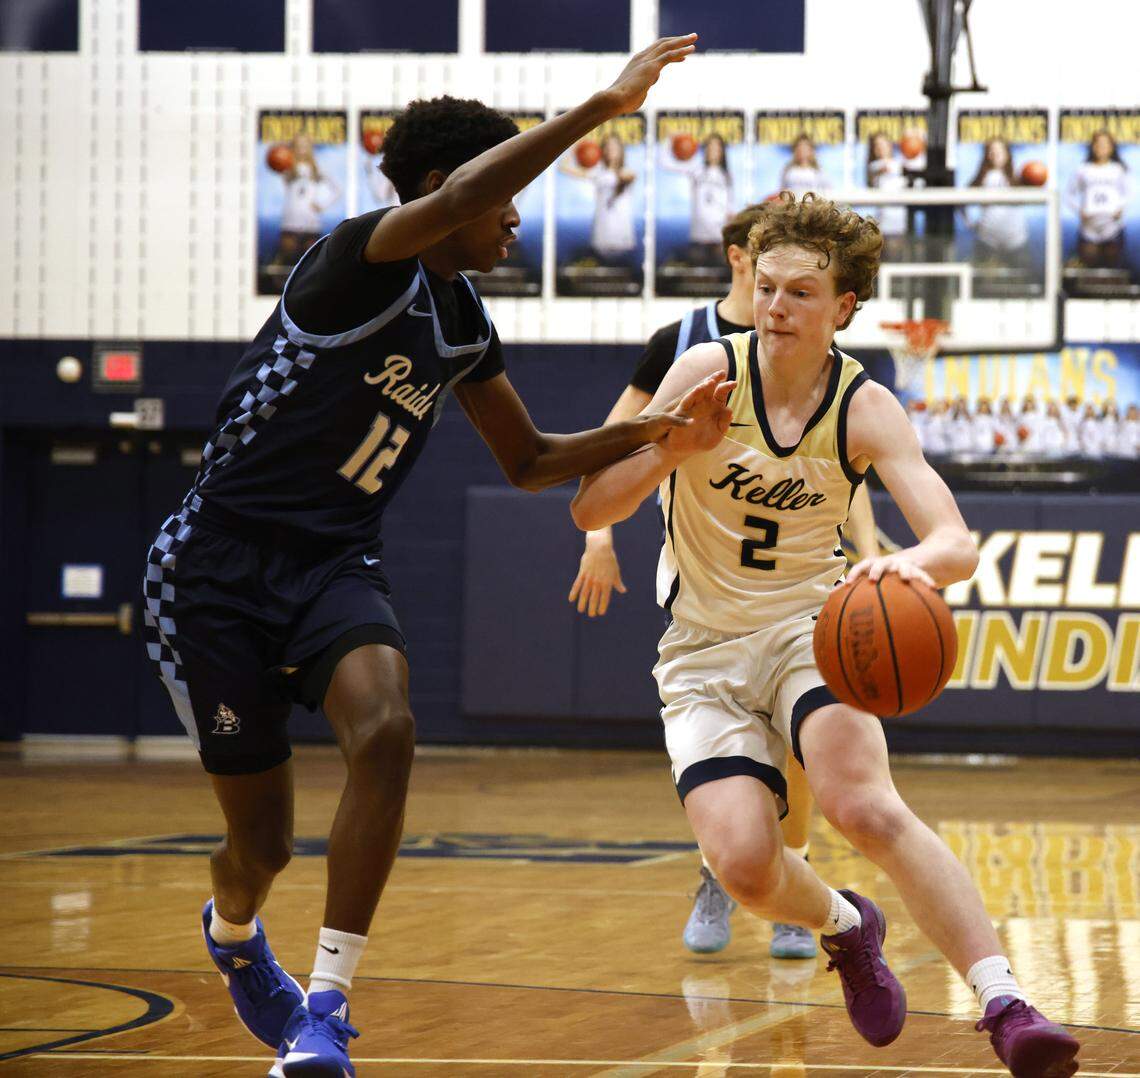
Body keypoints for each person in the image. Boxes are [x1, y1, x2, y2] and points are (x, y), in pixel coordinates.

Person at [142, 35, 701, 1078]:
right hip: (215, 565)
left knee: (389, 726)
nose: (518, 218)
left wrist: (662, 427)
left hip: (332, 564)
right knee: (260, 845)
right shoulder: (358, 257)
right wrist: (602, 104)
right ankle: (231, 931)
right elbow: (456, 204)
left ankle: (326, 1006)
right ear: (450, 188)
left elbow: (532, 460)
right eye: (503, 200)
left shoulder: (464, 321)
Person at [570, 192, 1081, 1076]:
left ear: (843, 306)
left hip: (810, 629)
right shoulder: (702, 369)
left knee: (863, 804)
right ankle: (848, 926)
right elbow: (590, 502)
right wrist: (667, 451)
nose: (775, 307)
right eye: (767, 287)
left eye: (800, 293)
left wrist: (906, 567)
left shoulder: (866, 405)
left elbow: (954, 541)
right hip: (699, 650)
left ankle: (1006, 1003)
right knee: (742, 866)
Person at [568, 204, 879, 961]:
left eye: (798, 280)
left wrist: (867, 554)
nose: (777, 289)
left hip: (795, 592)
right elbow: (608, 450)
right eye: (764, 261)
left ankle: (790, 875)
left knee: (805, 744)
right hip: (708, 592)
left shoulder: (825, 367)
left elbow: (842, 466)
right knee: (731, 763)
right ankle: (726, 869)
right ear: (742, 257)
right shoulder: (682, 347)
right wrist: (598, 538)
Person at [560, 133, 638, 261]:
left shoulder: (627, 171)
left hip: (623, 237)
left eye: (614, 146)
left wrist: (603, 175)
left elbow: (626, 176)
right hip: (602, 237)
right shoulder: (598, 172)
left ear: (621, 150)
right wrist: (575, 146)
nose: (611, 150)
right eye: (608, 147)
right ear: (603, 150)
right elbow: (564, 167)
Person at [272, 133, 343, 271]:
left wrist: (322, 205)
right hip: (290, 222)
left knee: (310, 265)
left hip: (311, 223)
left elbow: (338, 189)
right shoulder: (287, 168)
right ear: (293, 147)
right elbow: (274, 157)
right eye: (298, 145)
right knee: (286, 263)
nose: (301, 149)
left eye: (305, 145)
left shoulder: (317, 169)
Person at [660, 133, 734, 262]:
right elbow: (665, 163)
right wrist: (669, 139)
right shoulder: (696, 170)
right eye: (710, 147)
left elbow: (730, 206)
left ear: (722, 151)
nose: (713, 151)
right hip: (699, 237)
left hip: (719, 238)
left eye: (717, 148)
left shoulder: (727, 176)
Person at [1065, 130, 1130, 271]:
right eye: (1098, 144)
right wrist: (1079, 210)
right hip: (1089, 227)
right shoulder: (1082, 169)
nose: (1101, 147)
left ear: (1112, 147)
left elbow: (1128, 193)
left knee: (1113, 267)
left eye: (1105, 144)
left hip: (1112, 226)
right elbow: (1069, 195)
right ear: (1092, 146)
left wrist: (1120, 208)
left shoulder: (1118, 169)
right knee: (1089, 265)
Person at [778, 134, 832, 199]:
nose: (802, 150)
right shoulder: (789, 170)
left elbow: (828, 191)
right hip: (792, 207)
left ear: (811, 150)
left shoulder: (818, 171)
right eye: (799, 147)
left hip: (812, 207)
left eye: (805, 148)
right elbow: (782, 191)